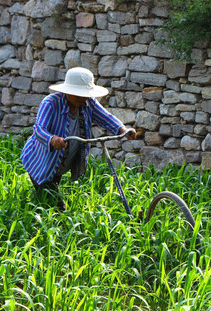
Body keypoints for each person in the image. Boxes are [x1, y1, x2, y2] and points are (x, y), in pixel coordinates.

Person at [21, 67, 136, 211]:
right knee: (54, 202)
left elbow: (106, 118)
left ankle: (42, 209)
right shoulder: (50, 103)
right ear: (67, 91)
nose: (82, 98)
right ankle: (49, 221)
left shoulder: (88, 103)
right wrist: (52, 139)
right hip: (41, 160)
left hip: (61, 160)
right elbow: (39, 129)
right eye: (78, 94)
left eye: (85, 95)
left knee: (49, 191)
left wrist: (123, 130)